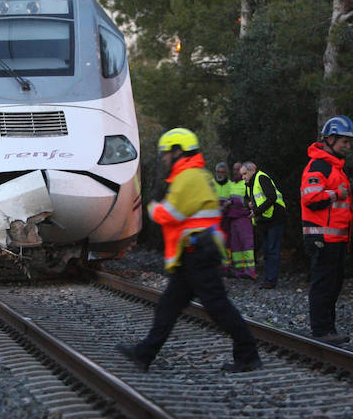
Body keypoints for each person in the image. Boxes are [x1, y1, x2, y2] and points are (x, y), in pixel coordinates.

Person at [116, 128, 261, 373]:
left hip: (198, 253)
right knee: (168, 307)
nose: (163, 158)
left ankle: (248, 355)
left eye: (165, 153)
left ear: (178, 151)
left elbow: (170, 214)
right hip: (194, 252)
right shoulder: (194, 174)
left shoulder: (188, 177)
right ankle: (144, 353)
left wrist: (150, 207)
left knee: (217, 307)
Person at [300, 115, 353, 344]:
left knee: (332, 285)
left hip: (335, 239)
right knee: (324, 284)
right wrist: (336, 194)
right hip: (322, 237)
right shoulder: (319, 165)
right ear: (330, 139)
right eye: (344, 141)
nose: (348, 146)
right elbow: (311, 198)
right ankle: (322, 331)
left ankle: (328, 330)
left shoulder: (334, 166)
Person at [241, 161, 287, 289]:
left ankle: (271, 281)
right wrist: (250, 206)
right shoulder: (250, 184)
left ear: (252, 171)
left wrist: (255, 210)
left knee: (272, 251)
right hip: (265, 221)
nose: (243, 177)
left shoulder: (261, 177)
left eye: (245, 174)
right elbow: (249, 200)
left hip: (275, 219)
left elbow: (271, 197)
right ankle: (268, 280)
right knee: (267, 251)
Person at [214, 162, 255, 279]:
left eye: (238, 170)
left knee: (247, 245)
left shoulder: (246, 184)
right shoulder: (231, 184)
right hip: (231, 218)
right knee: (235, 247)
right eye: (234, 169)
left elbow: (249, 200)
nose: (236, 172)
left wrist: (233, 202)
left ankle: (250, 271)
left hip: (244, 217)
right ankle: (239, 271)